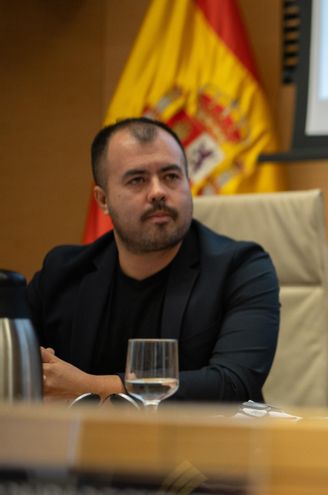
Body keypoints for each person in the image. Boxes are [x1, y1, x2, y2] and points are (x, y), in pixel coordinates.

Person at [27, 117, 280, 403]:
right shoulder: (63, 272)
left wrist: (92, 386)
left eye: (171, 176)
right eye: (137, 180)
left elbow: (233, 383)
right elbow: (15, 363)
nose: (158, 191)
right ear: (102, 200)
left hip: (201, 445)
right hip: (80, 444)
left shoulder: (241, 268)